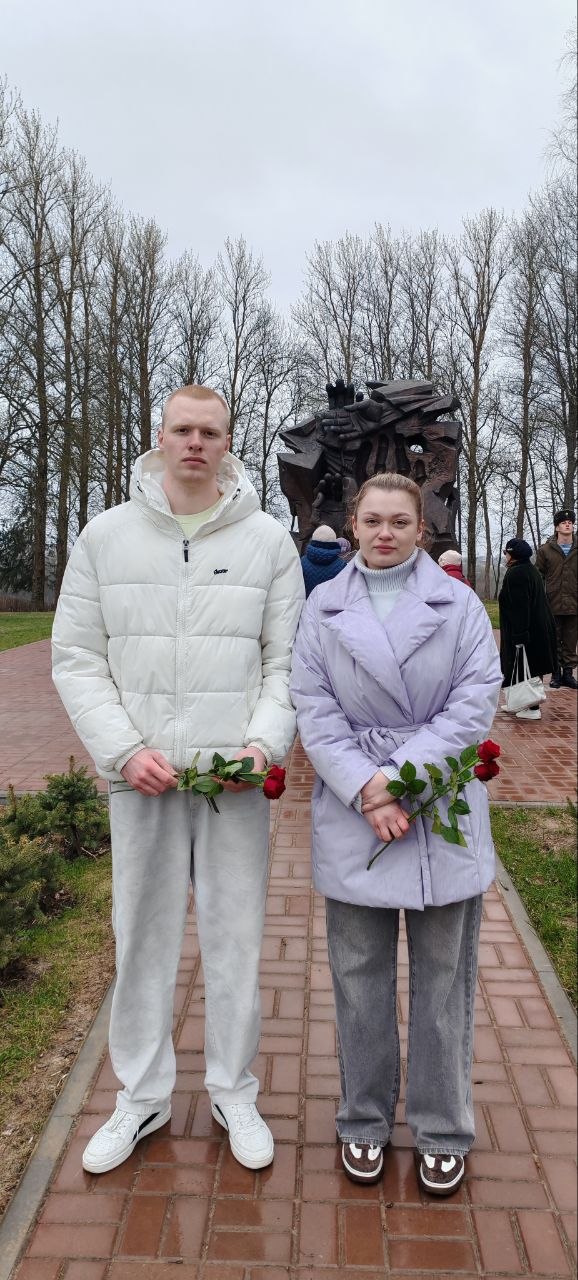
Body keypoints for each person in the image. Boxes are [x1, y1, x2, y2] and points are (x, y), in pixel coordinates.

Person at [52, 384, 304, 1175]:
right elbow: (78, 658)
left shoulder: (269, 541)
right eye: (182, 429)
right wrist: (124, 750)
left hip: (232, 784)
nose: (195, 442)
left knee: (234, 941)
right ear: (158, 435)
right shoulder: (105, 537)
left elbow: (286, 662)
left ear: (230, 441)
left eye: (211, 431)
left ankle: (234, 1088)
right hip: (146, 780)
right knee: (143, 938)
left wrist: (262, 745)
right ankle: (142, 1096)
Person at [290, 472, 502, 1197]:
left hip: (436, 806)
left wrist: (400, 781)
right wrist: (366, 790)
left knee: (446, 983)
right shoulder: (323, 606)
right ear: (353, 524)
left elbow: (476, 701)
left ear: (422, 529)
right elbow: (314, 709)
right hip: (358, 814)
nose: (385, 533)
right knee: (357, 981)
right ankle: (363, 1120)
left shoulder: (459, 604)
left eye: (400, 522)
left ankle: (443, 1128)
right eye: (373, 520)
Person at [498, 538, 558, 720]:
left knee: (526, 667)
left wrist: (519, 635)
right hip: (537, 628)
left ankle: (531, 708)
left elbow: (520, 607)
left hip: (526, 630)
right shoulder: (529, 570)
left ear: (513, 554)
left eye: (506, 553)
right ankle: (520, 703)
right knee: (526, 667)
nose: (505, 556)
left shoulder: (517, 574)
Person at [535, 510, 577, 690]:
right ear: (557, 526)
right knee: (553, 640)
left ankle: (568, 673)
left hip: (575, 603)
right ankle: (556, 674)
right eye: (563, 522)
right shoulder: (545, 550)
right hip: (552, 603)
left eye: (570, 522)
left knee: (570, 641)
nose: (568, 524)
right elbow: (538, 575)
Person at [300, 524, 347, 597]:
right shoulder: (342, 566)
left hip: (306, 606)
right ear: (334, 541)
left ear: (313, 539)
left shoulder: (302, 562)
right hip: (331, 607)